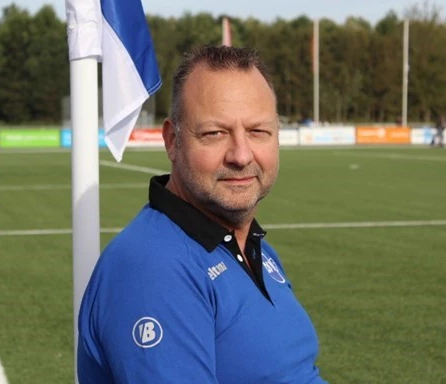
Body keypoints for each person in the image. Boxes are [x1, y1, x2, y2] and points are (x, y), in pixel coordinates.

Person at [77, 45, 328, 384]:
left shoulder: (255, 247)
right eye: (214, 133)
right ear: (172, 141)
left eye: (258, 131)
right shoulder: (154, 269)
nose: (241, 155)